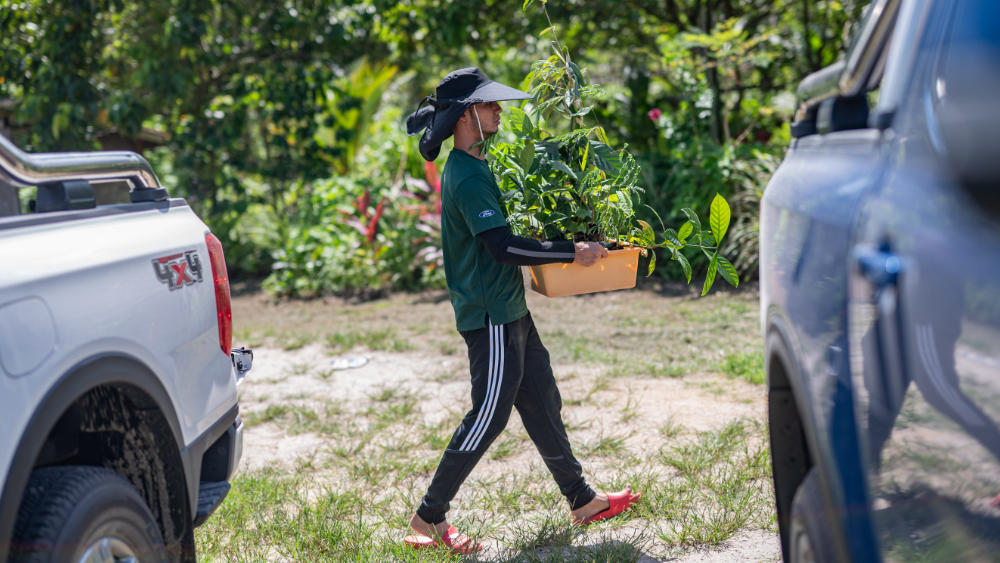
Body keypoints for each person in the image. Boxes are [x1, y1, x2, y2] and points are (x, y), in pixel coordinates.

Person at [402, 68, 641, 552]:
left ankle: (581, 500)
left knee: (541, 399)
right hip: (490, 316)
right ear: (467, 113)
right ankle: (428, 518)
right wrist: (572, 252)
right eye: (490, 105)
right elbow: (502, 247)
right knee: (488, 416)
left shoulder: (477, 165)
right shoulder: (466, 177)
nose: (498, 110)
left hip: (512, 310)